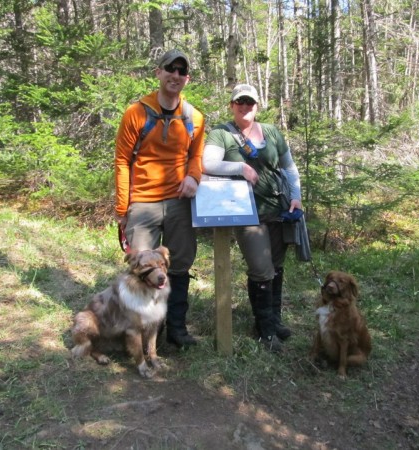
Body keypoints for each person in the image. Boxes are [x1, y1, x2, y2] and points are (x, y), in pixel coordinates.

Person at [202, 84, 303, 353]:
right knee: (261, 268)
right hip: (247, 213)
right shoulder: (221, 134)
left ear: (257, 105)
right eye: (239, 102)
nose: (244, 106)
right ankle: (265, 330)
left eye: (250, 102)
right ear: (232, 105)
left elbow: (289, 168)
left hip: (279, 209)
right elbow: (207, 163)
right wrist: (240, 167)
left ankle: (274, 320)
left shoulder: (270, 132)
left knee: (277, 266)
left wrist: (296, 197)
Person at [114, 49, 205, 348]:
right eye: (170, 68)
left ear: (187, 78)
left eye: (181, 71)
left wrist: (193, 176)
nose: (175, 75)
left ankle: (175, 329)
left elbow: (197, 155)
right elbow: (122, 161)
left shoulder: (194, 117)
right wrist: (122, 208)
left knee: (178, 265)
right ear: (159, 72)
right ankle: (137, 333)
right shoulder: (136, 113)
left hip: (179, 201)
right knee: (141, 265)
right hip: (143, 201)